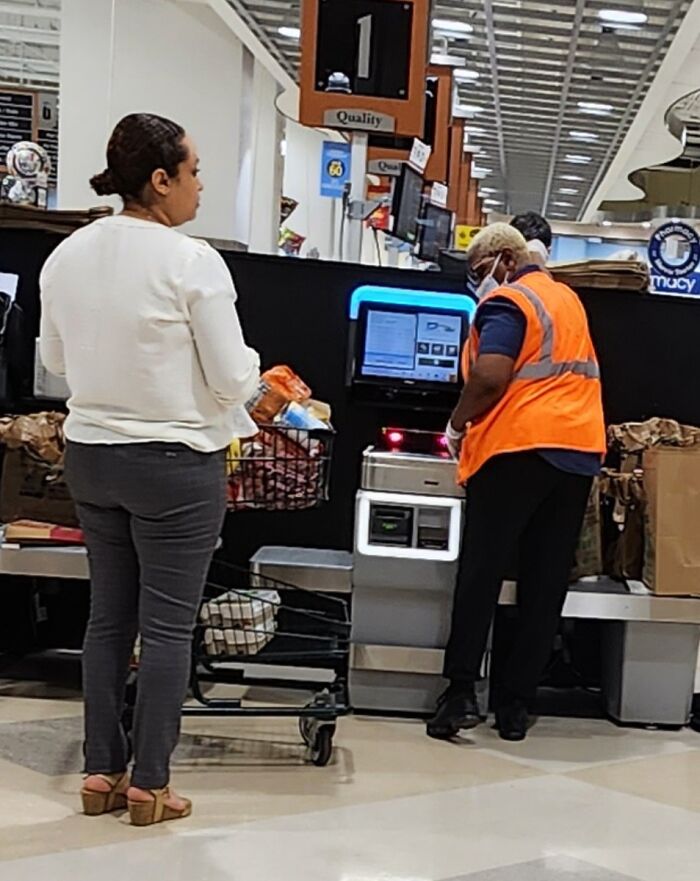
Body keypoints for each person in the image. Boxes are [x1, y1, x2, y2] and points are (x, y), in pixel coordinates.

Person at [39, 113, 260, 825]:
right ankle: (151, 785)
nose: (199, 186)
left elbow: (55, 363)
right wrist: (254, 377)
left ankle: (100, 772)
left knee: (107, 619)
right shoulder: (192, 261)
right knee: (166, 628)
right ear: (159, 179)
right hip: (173, 466)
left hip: (91, 456)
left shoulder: (65, 255)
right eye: (193, 171)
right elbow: (231, 377)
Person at [428, 223, 605, 743]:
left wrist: (456, 425)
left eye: (480, 272)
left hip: (517, 449)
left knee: (481, 572)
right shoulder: (567, 299)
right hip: (575, 454)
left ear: (505, 260)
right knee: (544, 583)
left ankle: (459, 693)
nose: (480, 283)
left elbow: (489, 375)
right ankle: (515, 706)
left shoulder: (510, 301)